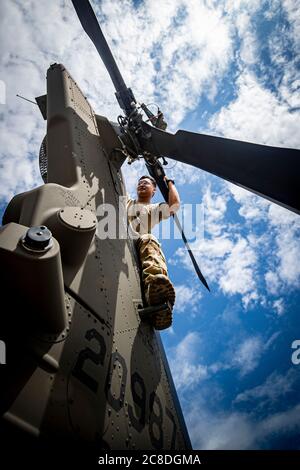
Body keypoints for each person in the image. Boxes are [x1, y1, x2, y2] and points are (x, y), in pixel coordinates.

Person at [126, 175, 180, 330]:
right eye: (140, 182)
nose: (142, 184)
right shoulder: (127, 201)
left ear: (154, 190)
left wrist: (170, 183)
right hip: (117, 236)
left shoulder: (154, 209)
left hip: (137, 244)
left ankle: (156, 290)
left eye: (146, 183)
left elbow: (174, 206)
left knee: (148, 238)